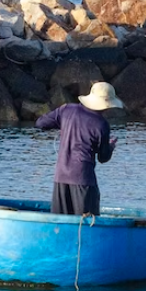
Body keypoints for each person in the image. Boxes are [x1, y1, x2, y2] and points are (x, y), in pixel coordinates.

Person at [35, 82, 121, 216]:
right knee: (86, 223)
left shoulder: (66, 110)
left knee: (60, 220)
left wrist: (63, 125)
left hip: (61, 177)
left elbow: (40, 124)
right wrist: (110, 147)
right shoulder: (101, 124)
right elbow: (103, 158)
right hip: (83, 179)